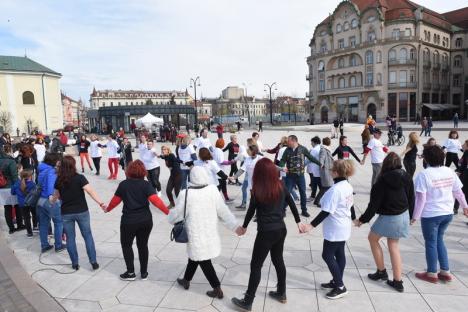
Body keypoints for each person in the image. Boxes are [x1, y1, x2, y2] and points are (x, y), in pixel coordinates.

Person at [231, 158, 303, 310]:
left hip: (266, 232)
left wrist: (244, 227)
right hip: (281, 230)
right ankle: (281, 293)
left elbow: (251, 210)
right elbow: (291, 203)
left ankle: (248, 301)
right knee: (278, 260)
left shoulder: (257, 189)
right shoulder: (281, 185)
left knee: (256, 266)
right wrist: (298, 222)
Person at [169, 166, 238, 299]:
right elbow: (223, 212)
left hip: (196, 233)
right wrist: (234, 226)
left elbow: (176, 215)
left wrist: (170, 217)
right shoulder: (212, 190)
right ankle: (186, 280)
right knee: (195, 257)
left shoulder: (186, 194)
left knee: (203, 260)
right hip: (209, 231)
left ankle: (217, 288)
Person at [356, 152, 414, 292]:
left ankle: (381, 271)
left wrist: (362, 220)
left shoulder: (381, 181)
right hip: (403, 214)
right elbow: (412, 198)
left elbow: (373, 205)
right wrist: (411, 216)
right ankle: (397, 281)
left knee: (373, 238)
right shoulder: (406, 176)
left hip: (389, 216)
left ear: (385, 164)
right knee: (394, 245)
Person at [104, 160, 169, 280]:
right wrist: (167, 212)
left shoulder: (124, 184)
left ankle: (130, 273)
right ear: (143, 171)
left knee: (126, 245)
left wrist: (108, 209)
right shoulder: (146, 184)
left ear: (129, 171)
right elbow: (156, 201)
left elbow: (115, 201)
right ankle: (144, 273)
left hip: (129, 221)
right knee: (143, 245)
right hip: (145, 220)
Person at [411, 145, 468, 283]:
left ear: (426, 159)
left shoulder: (424, 175)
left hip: (431, 214)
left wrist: (415, 216)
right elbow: (458, 192)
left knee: (431, 242)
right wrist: (465, 206)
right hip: (447, 213)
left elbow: (421, 198)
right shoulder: (449, 171)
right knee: (439, 240)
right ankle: (445, 271)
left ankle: (431, 273)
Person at [302, 160, 356, 299]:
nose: (330, 171)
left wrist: (310, 226)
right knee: (339, 254)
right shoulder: (347, 185)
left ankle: (340, 286)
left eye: (332, 170)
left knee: (327, 255)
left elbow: (326, 212)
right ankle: (336, 281)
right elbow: (351, 205)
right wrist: (354, 218)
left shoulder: (335, 190)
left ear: (336, 172)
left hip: (336, 227)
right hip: (343, 225)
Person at [54, 156, 103, 271]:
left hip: (66, 213)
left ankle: (75, 264)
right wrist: (100, 203)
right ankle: (93, 262)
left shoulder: (59, 180)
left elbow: (56, 196)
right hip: (82, 211)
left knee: (70, 239)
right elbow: (90, 191)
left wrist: (51, 199)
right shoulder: (80, 178)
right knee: (88, 236)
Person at [279, 135, 321, 217]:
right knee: (287, 193)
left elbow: (311, 158)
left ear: (294, 141)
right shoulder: (287, 150)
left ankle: (304, 210)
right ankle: (282, 210)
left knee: (303, 193)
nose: (287, 143)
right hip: (290, 176)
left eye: (289, 141)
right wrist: (282, 167)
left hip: (300, 176)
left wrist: (320, 164)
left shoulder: (303, 149)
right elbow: (283, 160)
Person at [37, 153, 65, 253]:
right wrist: (51, 196)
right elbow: (50, 186)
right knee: (58, 222)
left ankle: (44, 245)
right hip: (50, 199)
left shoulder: (41, 169)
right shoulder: (52, 171)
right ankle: (58, 245)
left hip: (41, 200)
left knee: (43, 224)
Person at [1, 146, 21, 234]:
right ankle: (20, 224)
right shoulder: (10, 161)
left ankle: (11, 228)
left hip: (1, 188)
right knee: (17, 205)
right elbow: (14, 177)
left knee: (7, 208)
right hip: (11, 186)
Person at [11, 170, 36, 237]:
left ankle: (29, 233)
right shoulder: (32, 184)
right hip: (31, 202)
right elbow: (35, 193)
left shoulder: (16, 183)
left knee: (26, 218)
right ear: (29, 176)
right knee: (34, 214)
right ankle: (35, 227)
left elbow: (12, 192)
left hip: (22, 203)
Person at [314, 137, 334, 206]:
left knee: (325, 187)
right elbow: (321, 158)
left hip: (328, 170)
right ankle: (318, 201)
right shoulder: (323, 150)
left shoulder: (327, 149)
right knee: (326, 187)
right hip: (326, 171)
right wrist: (321, 164)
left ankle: (317, 200)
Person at [307, 136, 321, 201]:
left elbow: (308, 159)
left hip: (315, 170)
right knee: (315, 183)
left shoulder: (314, 150)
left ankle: (314, 197)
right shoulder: (320, 148)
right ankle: (313, 196)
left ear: (314, 142)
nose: (311, 144)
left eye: (311, 142)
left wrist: (302, 165)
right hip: (319, 170)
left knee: (317, 184)